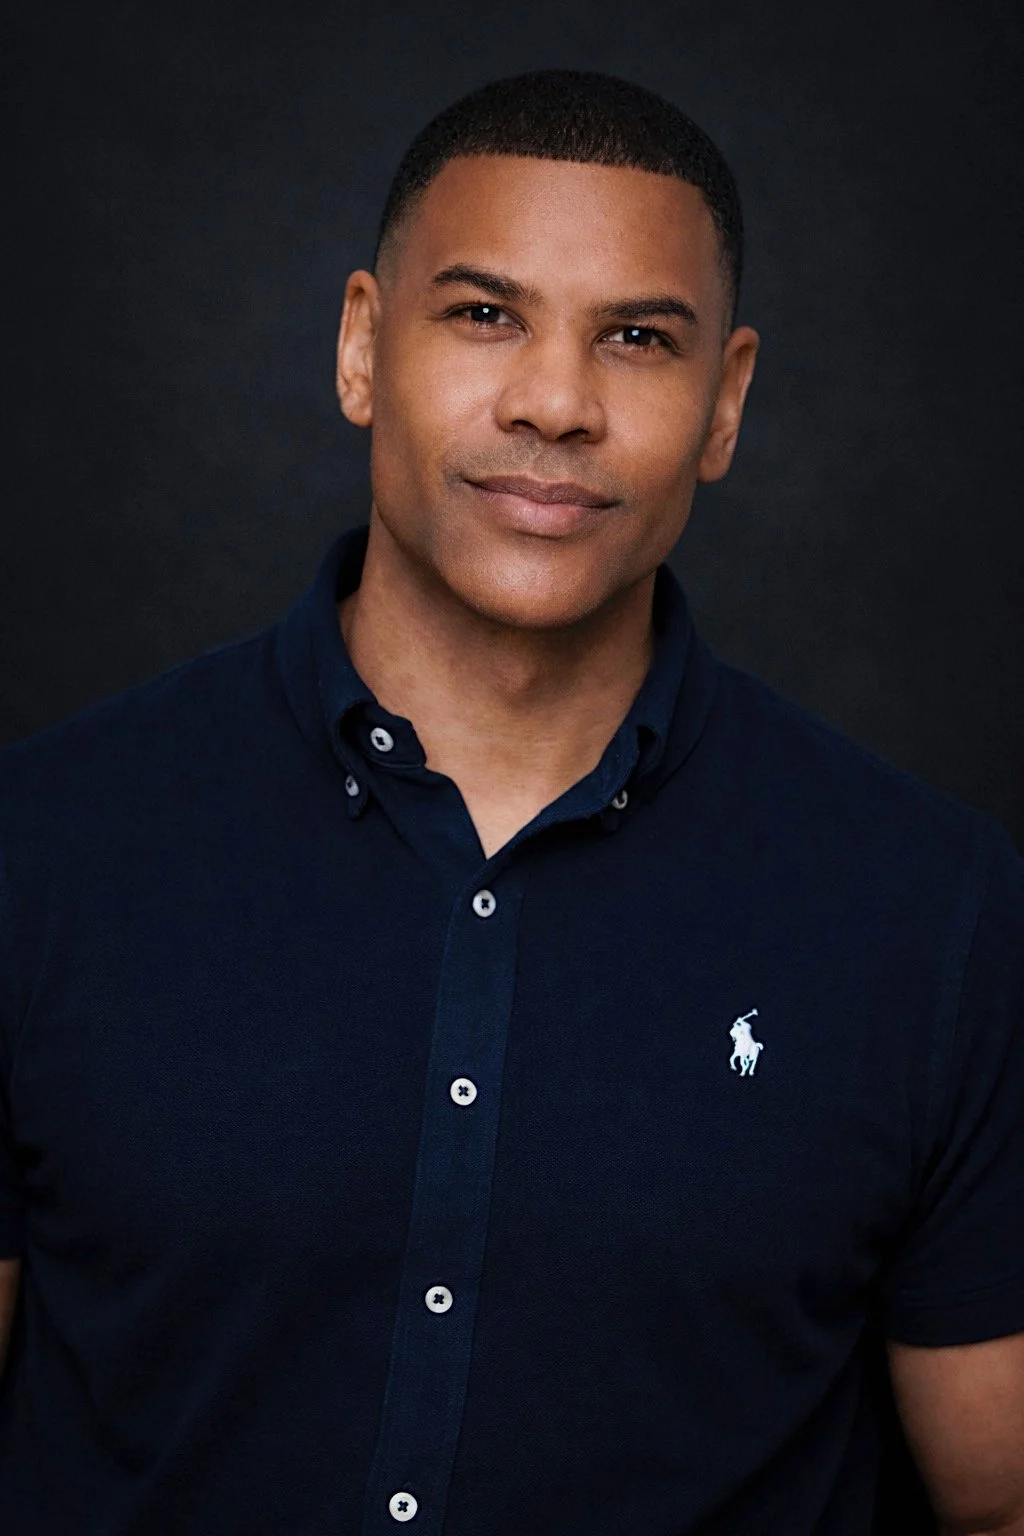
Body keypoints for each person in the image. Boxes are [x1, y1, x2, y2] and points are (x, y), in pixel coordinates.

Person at [0, 67, 1021, 1536]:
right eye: (485, 315)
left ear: (725, 403)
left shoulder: (937, 914)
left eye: (639, 339)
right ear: (362, 345)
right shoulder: (45, 847)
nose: (556, 403)